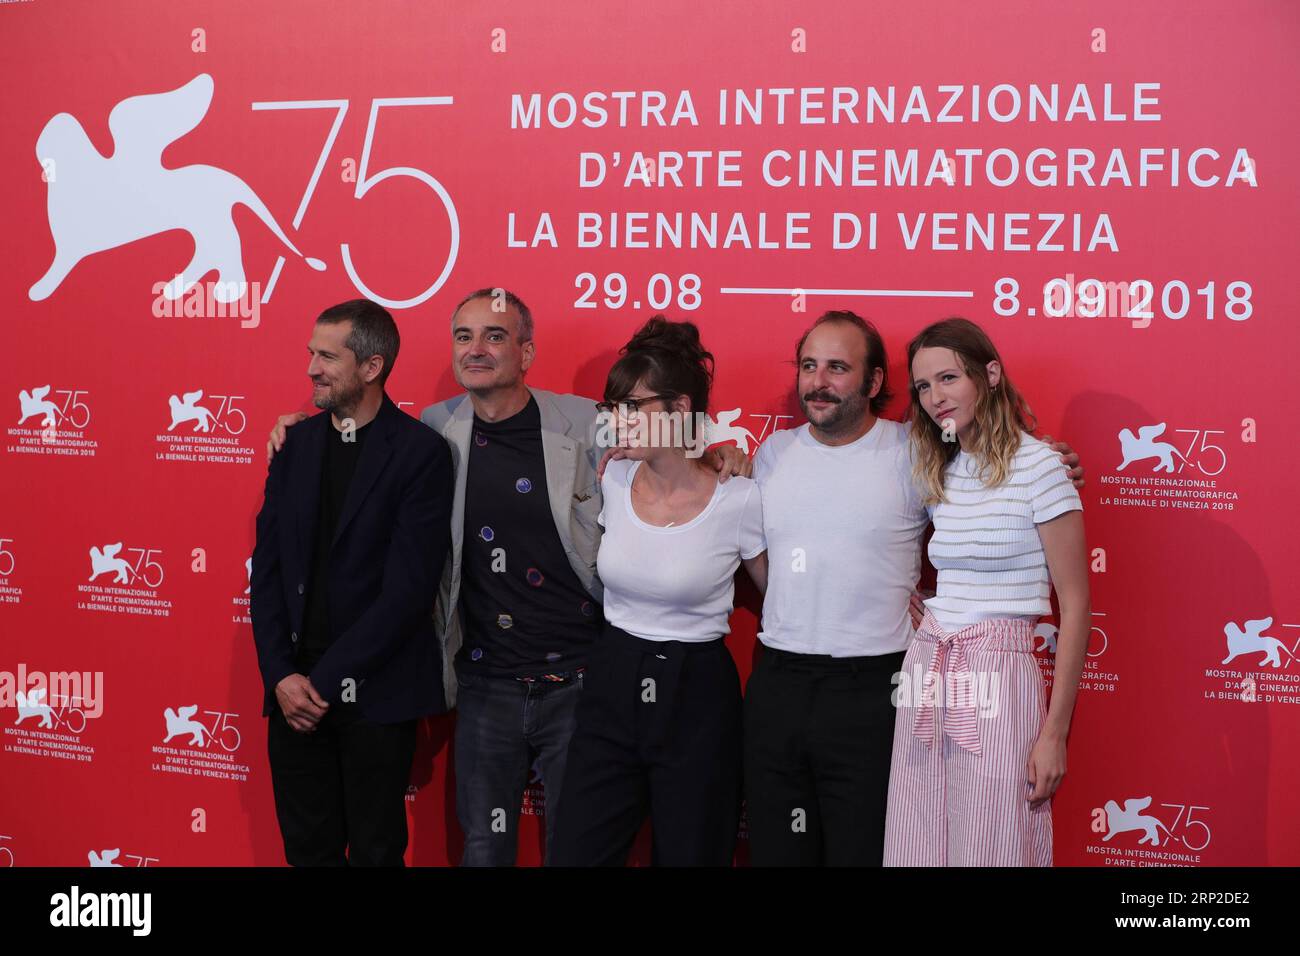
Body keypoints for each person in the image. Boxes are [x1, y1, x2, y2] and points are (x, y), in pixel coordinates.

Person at [266, 288, 749, 866]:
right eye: (464, 336)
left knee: (578, 851)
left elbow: (661, 434)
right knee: (483, 849)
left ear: (527, 352)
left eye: (495, 336)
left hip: (581, 678)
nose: (477, 349)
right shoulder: (434, 428)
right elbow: (364, 432)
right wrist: (306, 426)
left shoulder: (579, 420)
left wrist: (720, 451)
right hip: (485, 683)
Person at [744, 310, 1084, 866]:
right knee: (915, 841)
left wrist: (1055, 462)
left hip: (907, 682)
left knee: (989, 840)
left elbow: (1067, 591)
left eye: (837, 366)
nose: (819, 380)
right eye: (809, 366)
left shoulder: (931, 454)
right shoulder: (780, 456)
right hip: (864, 677)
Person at [549, 317, 767, 866]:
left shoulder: (739, 499)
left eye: (633, 406)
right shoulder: (612, 479)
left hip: (697, 692)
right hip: (612, 678)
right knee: (577, 851)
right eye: (613, 407)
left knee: (693, 853)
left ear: (678, 408)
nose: (617, 421)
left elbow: (780, 600)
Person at [250, 298, 454, 866]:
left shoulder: (420, 453)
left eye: (327, 356)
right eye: (311, 353)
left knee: (375, 851)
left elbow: (408, 593)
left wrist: (320, 682)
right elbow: (265, 574)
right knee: (307, 852)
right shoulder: (294, 447)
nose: (312, 368)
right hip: (292, 695)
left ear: (371, 366)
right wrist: (280, 677)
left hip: (374, 693)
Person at [883, 317, 1087, 866]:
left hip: (1001, 668)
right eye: (923, 386)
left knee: (995, 842)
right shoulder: (936, 469)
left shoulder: (1043, 466)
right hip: (929, 665)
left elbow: (1076, 605)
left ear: (990, 373)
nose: (934, 397)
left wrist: (1055, 734)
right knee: (917, 837)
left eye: (948, 378)